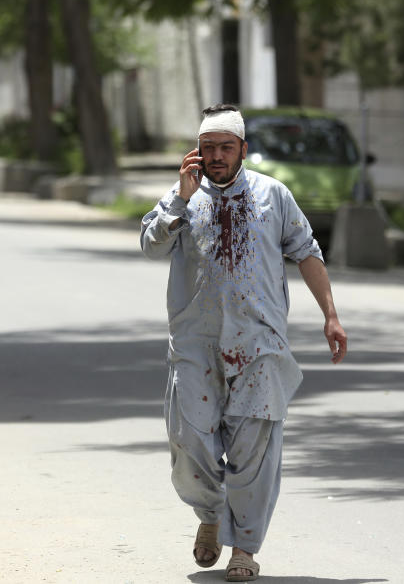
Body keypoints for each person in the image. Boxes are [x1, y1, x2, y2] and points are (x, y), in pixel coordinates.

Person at [141, 104, 347, 581]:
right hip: (196, 343)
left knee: (255, 449)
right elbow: (150, 246)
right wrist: (179, 201)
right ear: (197, 151)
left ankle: (246, 550)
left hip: (259, 343)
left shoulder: (274, 195)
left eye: (225, 147)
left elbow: (307, 253)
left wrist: (331, 315)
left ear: (243, 151)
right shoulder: (182, 196)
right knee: (188, 439)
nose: (216, 156)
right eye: (207, 147)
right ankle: (211, 516)